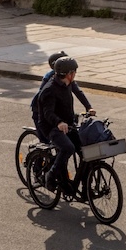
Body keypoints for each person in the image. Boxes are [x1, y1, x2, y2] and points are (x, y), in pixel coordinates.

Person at [31, 56, 93, 199]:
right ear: (68, 73)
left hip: (67, 125)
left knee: (86, 151)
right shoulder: (49, 89)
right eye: (74, 72)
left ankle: (85, 188)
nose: (75, 75)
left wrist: (88, 107)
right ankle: (50, 177)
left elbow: (77, 94)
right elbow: (47, 113)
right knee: (68, 148)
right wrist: (58, 122)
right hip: (51, 126)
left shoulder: (68, 84)